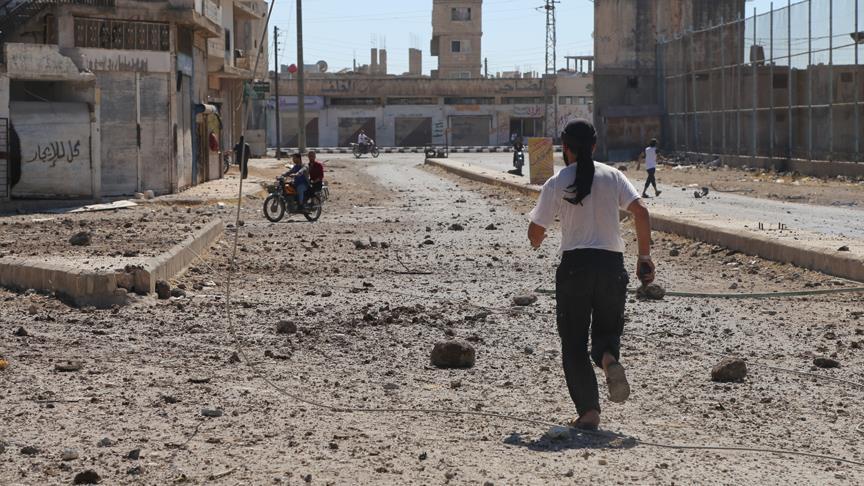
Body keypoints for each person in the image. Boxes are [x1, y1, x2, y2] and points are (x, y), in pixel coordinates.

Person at [527, 119, 655, 430]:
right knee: (607, 332)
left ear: (565, 148)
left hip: (575, 267)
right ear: (595, 146)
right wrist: (644, 258)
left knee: (573, 342)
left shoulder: (557, 182)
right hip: (612, 266)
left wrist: (537, 238)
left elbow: (535, 234)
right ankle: (609, 360)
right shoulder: (613, 176)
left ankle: (589, 413)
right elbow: (641, 211)